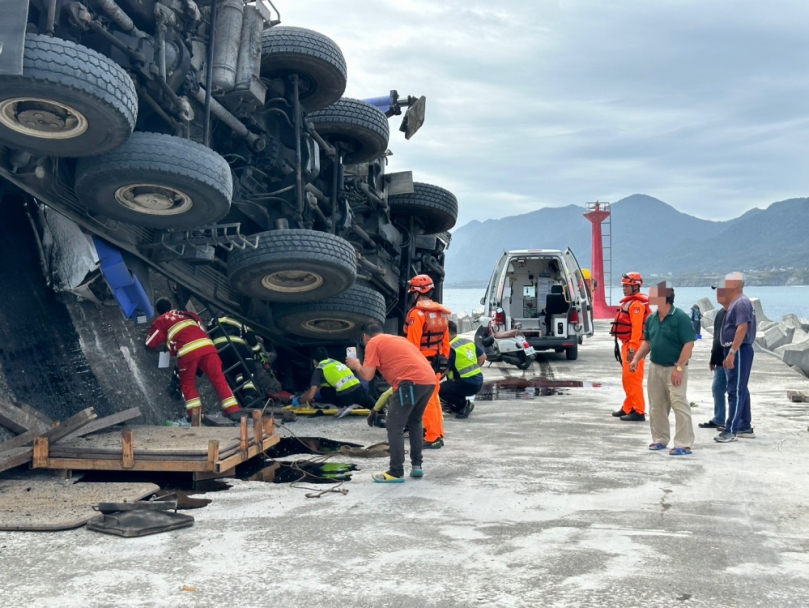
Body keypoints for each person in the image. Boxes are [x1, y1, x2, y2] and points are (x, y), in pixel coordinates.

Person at [346, 321, 437, 483]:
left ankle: (396, 471)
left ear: (365, 337)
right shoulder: (398, 339)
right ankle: (417, 466)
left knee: (394, 425)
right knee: (415, 421)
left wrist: (356, 365)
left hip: (409, 383)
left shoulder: (372, 343)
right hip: (429, 380)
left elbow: (367, 376)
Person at [629, 282, 696, 456]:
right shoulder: (651, 318)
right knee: (656, 405)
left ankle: (684, 443)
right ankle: (660, 438)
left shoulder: (680, 317)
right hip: (656, 367)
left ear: (665, 299)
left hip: (675, 367)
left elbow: (689, 344)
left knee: (678, 403)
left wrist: (679, 369)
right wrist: (637, 358)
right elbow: (648, 341)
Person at [146, 298, 240, 420]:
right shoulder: (190, 315)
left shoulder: (161, 320)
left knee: (187, 383)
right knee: (219, 378)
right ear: (172, 305)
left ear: (159, 312)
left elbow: (150, 343)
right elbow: (202, 330)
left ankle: (196, 416)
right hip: (208, 348)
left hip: (187, 351)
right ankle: (233, 411)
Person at [404, 274, 451, 449]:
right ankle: (437, 432)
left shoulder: (417, 314)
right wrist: (443, 362)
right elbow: (445, 343)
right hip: (437, 362)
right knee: (434, 398)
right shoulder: (441, 313)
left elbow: (412, 344)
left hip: (422, 362)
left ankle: (433, 437)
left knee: (427, 400)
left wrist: (409, 367)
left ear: (415, 293)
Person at [715, 272, 757, 443]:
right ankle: (744, 425)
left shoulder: (741, 303)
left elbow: (742, 328)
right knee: (740, 388)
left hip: (739, 350)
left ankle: (731, 429)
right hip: (735, 349)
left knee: (735, 391)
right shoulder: (736, 303)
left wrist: (732, 352)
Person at [609, 272, 650, 421]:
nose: (624, 289)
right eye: (624, 286)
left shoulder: (637, 305)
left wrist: (633, 349)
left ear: (636, 287)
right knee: (627, 379)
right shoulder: (630, 302)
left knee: (634, 379)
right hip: (627, 344)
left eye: (627, 286)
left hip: (635, 345)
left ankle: (639, 411)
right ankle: (628, 407)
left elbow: (637, 329)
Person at [297, 347, 375, 418]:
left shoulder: (319, 369)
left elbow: (311, 395)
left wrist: (299, 400)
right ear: (327, 357)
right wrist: (303, 396)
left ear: (314, 361)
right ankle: (384, 410)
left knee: (324, 391)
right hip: (359, 389)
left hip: (346, 395)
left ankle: (344, 407)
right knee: (375, 407)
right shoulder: (335, 362)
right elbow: (316, 389)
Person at [207, 315, 262, 407]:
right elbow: (250, 336)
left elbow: (208, 331)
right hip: (235, 345)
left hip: (218, 349)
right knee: (248, 367)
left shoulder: (214, 319)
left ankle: (238, 396)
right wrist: (259, 353)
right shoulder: (239, 318)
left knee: (234, 372)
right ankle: (250, 396)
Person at [440, 320, 486, 419]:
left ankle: (464, 405)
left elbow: (445, 371)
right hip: (478, 381)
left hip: (465, 383)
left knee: (439, 389)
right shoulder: (468, 342)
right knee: (453, 384)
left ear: (447, 332)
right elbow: (483, 357)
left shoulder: (450, 348)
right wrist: (473, 368)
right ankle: (459, 406)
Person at [698, 287, 728, 430]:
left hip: (731, 359)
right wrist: (712, 357)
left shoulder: (734, 312)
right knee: (717, 389)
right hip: (719, 359)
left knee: (735, 391)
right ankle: (719, 419)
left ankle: (737, 422)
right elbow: (717, 337)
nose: (718, 295)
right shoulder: (720, 313)